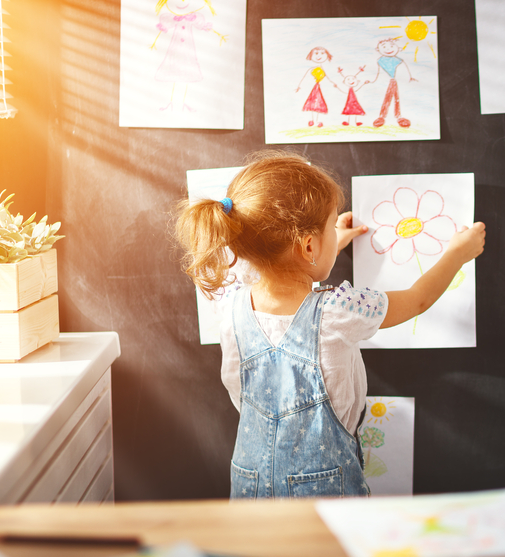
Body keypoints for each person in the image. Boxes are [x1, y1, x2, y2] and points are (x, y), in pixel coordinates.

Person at [174, 152, 486, 499]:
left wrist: (330, 240)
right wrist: (458, 252)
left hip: (251, 485)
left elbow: (290, 266)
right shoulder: (341, 310)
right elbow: (417, 299)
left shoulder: (227, 302)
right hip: (325, 490)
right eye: (329, 228)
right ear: (308, 245)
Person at [151, 0, 228, 112]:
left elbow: (200, 24)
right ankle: (173, 102)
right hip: (176, 49)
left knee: (185, 75)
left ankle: (181, 102)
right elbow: (167, 23)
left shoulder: (193, 17)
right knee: (175, 73)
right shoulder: (173, 17)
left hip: (187, 49)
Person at [368, 38, 416, 128]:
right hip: (386, 83)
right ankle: (381, 117)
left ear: (399, 48)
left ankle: (399, 117)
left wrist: (409, 80)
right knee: (385, 99)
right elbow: (377, 73)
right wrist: (373, 81)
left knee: (398, 99)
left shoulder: (399, 61)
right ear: (378, 50)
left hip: (398, 83)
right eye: (384, 47)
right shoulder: (379, 61)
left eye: (391, 46)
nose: (388, 49)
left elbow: (406, 73)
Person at [295, 47, 338, 128]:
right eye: (316, 53)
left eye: (322, 53)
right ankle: (313, 121)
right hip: (314, 89)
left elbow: (327, 78)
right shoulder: (311, 69)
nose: (319, 56)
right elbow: (304, 77)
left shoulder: (323, 69)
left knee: (318, 105)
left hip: (319, 89)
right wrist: (299, 86)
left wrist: (333, 83)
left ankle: (316, 121)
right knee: (313, 104)